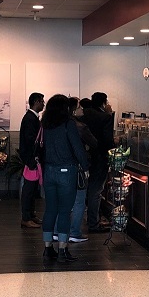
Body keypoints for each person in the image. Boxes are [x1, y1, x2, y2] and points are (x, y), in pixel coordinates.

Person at [40, 94, 88, 263]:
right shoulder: (69, 124)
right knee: (64, 212)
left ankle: (47, 249)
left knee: (50, 209)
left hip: (49, 171)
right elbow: (78, 149)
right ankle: (62, 249)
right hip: (66, 171)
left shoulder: (45, 125)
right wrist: (86, 167)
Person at [83, 91, 116, 233]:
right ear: (104, 102)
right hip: (101, 158)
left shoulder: (84, 116)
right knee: (96, 191)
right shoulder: (106, 117)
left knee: (88, 189)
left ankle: (89, 220)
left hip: (87, 157)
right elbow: (108, 141)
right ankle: (93, 223)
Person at [67, 96, 96, 243]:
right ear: (73, 110)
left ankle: (56, 232)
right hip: (78, 168)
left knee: (62, 201)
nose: (82, 109)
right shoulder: (79, 126)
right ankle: (74, 232)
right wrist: (85, 166)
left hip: (60, 169)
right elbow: (93, 143)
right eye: (79, 107)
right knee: (79, 201)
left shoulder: (56, 125)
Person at [19, 92, 44, 228]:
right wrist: (33, 158)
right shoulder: (29, 118)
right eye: (41, 101)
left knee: (33, 188)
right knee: (28, 189)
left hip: (33, 158)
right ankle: (26, 217)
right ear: (35, 102)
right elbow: (30, 141)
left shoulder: (32, 118)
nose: (43, 104)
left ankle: (31, 215)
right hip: (31, 158)